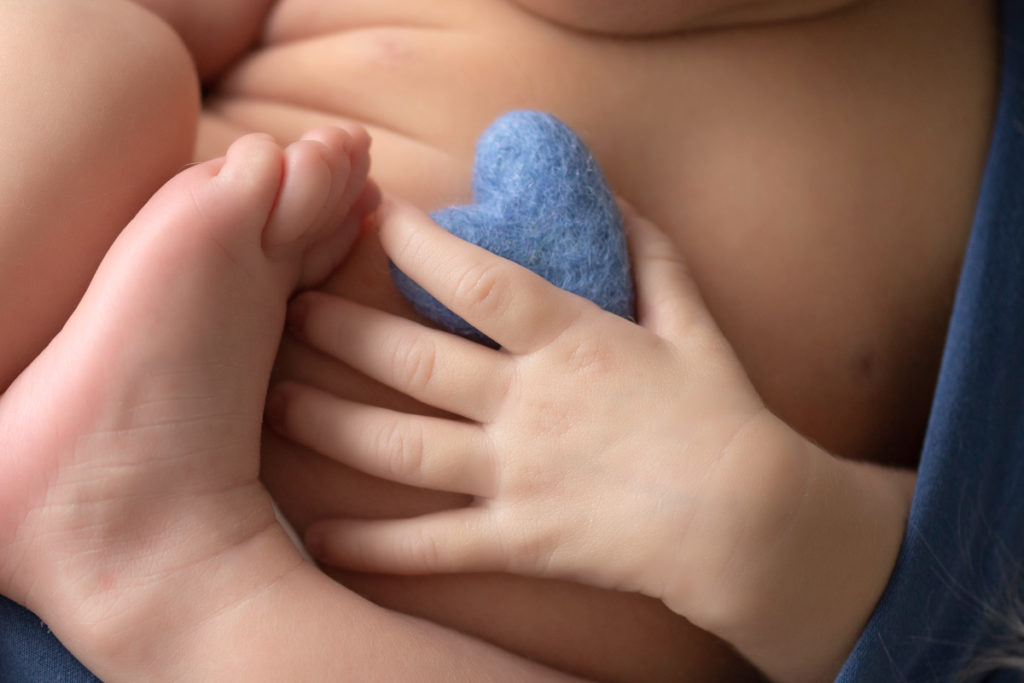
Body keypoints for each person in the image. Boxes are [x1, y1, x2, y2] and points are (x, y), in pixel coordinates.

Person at [0, 0, 1010, 680]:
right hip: (78, 236)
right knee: (88, 50)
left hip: (283, 628)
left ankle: (158, 577)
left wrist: (776, 530)